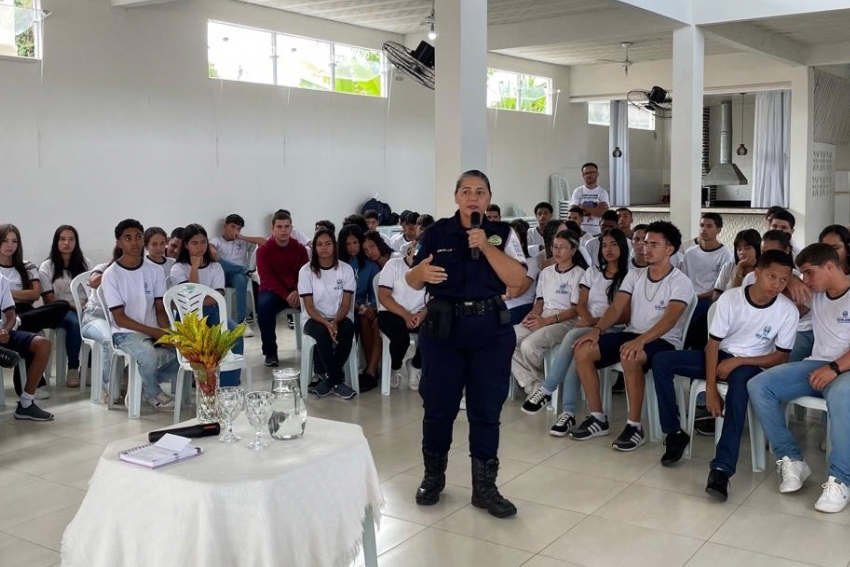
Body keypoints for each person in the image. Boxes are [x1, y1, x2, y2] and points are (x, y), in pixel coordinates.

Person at [405, 169, 526, 519]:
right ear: (456, 196)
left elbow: (518, 280)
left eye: (481, 192)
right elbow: (413, 278)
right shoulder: (436, 232)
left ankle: (484, 488)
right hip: (444, 331)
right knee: (438, 406)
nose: (473, 197)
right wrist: (420, 275)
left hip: (489, 330)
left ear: (488, 199)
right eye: (467, 191)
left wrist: (485, 246)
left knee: (486, 410)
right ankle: (433, 476)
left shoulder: (503, 234)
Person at [651, 250, 799, 501]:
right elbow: (712, 345)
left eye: (784, 280)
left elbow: (781, 356)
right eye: (771, 277)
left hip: (750, 364)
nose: (777, 285)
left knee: (739, 389)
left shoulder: (787, 310)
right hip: (719, 356)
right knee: (662, 361)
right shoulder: (731, 299)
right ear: (757, 274)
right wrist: (710, 389)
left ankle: (721, 469)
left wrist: (740, 361)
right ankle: (674, 432)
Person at [572, 221, 695, 450]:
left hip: (664, 341)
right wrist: (597, 330)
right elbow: (616, 308)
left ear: (670, 249)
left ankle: (634, 426)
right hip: (632, 334)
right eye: (645, 243)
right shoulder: (634, 275)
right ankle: (598, 417)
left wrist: (641, 340)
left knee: (630, 355)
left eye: (654, 244)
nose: (645, 248)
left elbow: (670, 320)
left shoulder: (680, 282)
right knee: (583, 350)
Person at [748, 243, 850, 513]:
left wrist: (835, 368)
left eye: (809, 273)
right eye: (802, 274)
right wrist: (793, 276)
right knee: (759, 385)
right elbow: (784, 279)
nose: (805, 280)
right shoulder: (815, 292)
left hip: (845, 371)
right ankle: (792, 460)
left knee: (843, 395)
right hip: (817, 365)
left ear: (830, 266)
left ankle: (841, 479)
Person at [523, 228, 630, 437]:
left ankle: (547, 389)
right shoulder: (593, 272)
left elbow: (623, 316)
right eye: (604, 245)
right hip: (588, 324)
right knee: (576, 348)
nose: (608, 249)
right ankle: (569, 413)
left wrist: (595, 323)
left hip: (613, 328)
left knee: (573, 337)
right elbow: (580, 303)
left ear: (622, 247)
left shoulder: (628, 275)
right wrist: (587, 319)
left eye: (613, 244)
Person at [101, 219, 178, 410]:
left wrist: (167, 331)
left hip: (152, 329)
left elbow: (160, 309)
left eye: (138, 237)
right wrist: (153, 332)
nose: (135, 242)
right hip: (125, 332)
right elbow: (119, 318)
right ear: (119, 243)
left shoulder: (155, 271)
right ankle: (152, 392)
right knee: (148, 355)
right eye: (128, 238)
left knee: (189, 349)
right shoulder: (111, 275)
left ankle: (144, 382)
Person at [511, 229, 587, 395]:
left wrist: (546, 321)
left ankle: (542, 385)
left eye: (562, 247)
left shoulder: (579, 274)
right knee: (506, 339)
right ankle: (534, 384)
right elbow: (540, 301)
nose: (557, 251)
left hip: (566, 320)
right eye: (554, 247)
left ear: (573, 250)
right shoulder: (546, 272)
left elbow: (575, 309)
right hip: (544, 314)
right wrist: (533, 315)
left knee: (529, 345)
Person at [0, 224, 69, 398]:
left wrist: (4, 292)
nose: (10, 245)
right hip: (4, 314)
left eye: (14, 241)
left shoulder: (26, 266)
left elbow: (35, 294)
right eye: (5, 241)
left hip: (24, 312)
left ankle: (18, 322)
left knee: (61, 305)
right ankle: (30, 386)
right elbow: (27, 294)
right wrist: (17, 295)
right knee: (33, 332)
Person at [170, 223, 243, 387]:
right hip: (188, 317)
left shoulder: (215, 267)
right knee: (203, 339)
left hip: (212, 312)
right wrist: (194, 268)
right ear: (186, 245)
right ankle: (206, 384)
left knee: (234, 334)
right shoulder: (178, 268)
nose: (200, 247)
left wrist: (198, 298)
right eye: (194, 243)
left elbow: (216, 298)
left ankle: (228, 385)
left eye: (203, 242)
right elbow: (189, 297)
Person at [299, 229, 357, 400]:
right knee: (321, 333)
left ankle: (330, 380)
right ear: (314, 248)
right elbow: (309, 307)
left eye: (328, 244)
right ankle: (337, 381)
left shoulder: (345, 269)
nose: (323, 248)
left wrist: (335, 321)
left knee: (348, 329)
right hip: (314, 318)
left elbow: (346, 304)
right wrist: (327, 323)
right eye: (319, 244)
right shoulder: (306, 271)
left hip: (340, 316)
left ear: (334, 246)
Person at [39, 225, 91, 388]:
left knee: (96, 323)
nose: (66, 243)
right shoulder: (47, 266)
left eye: (71, 239)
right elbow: (48, 298)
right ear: (56, 242)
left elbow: (93, 291)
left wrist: (86, 305)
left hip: (85, 308)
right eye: (62, 239)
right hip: (60, 310)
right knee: (75, 322)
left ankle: (89, 368)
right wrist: (73, 306)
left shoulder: (86, 263)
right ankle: (73, 367)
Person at [256, 211, 309, 367]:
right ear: (273, 229)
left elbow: (305, 273)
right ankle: (270, 352)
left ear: (291, 228)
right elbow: (267, 277)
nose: (283, 230)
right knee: (264, 305)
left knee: (315, 302)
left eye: (287, 226)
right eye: (279, 227)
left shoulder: (300, 249)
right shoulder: (264, 250)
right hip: (273, 292)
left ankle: (316, 349)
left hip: (296, 290)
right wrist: (287, 295)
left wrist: (298, 291)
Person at [0, 274, 53, 420]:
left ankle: (26, 403)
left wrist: (5, 330)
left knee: (43, 344)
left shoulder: (1, 280)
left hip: (2, 334)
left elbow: (11, 316)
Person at [377, 242, 427, 390]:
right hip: (391, 311)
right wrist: (406, 315)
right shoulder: (394, 265)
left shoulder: (431, 270)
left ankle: (416, 365)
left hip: (420, 313)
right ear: (411, 249)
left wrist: (422, 314)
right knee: (401, 338)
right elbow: (384, 296)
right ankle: (396, 366)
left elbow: (435, 300)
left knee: (434, 331)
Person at [338, 224, 381, 390]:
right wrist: (356, 307)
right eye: (347, 244)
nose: (352, 247)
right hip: (343, 307)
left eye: (355, 242)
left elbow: (375, 291)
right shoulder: (338, 264)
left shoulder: (370, 265)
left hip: (365, 307)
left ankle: (371, 370)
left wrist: (371, 308)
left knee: (368, 319)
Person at [681, 213, 733, 350]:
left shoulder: (725, 254)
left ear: (719, 230)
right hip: (689, 297)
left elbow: (720, 287)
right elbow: (683, 279)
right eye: (702, 225)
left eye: (709, 226)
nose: (704, 229)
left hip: (709, 298)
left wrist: (698, 297)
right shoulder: (690, 253)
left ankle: (689, 348)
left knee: (700, 312)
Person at [209, 213, 265, 333]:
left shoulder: (242, 241)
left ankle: (241, 322)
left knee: (240, 278)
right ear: (225, 226)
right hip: (221, 275)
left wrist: (242, 237)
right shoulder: (217, 240)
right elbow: (211, 248)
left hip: (237, 277)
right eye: (232, 227)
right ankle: (247, 272)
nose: (235, 230)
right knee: (216, 258)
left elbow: (264, 242)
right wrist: (213, 251)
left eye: (238, 228)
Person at [503, 219, 539, 325]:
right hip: (501, 307)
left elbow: (513, 293)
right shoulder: (499, 263)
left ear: (521, 244)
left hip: (521, 307)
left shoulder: (530, 263)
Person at [712, 229, 761, 300]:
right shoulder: (728, 267)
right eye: (739, 249)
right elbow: (716, 295)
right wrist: (740, 268)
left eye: (747, 248)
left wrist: (741, 266)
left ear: (757, 249)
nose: (742, 252)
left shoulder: (762, 270)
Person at [569, 162, 610, 236]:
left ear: (597, 174)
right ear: (583, 175)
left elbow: (603, 213)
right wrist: (596, 209)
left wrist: (583, 207)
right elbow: (573, 211)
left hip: (598, 233)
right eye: (586, 173)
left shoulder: (602, 192)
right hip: (580, 233)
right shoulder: (578, 191)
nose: (589, 175)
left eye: (592, 172)